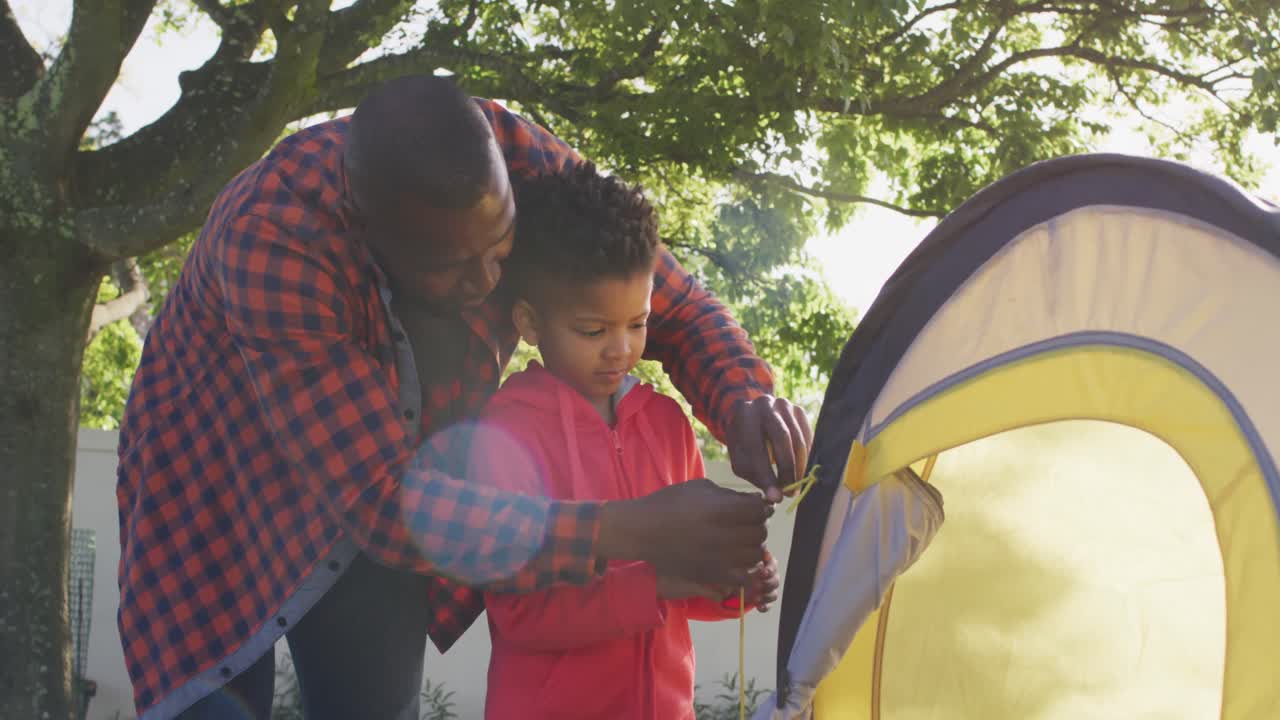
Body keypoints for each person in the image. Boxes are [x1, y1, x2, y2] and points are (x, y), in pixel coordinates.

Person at [116, 74, 809, 720]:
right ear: (368, 227)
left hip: (391, 493)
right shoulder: (274, 235)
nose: (486, 283)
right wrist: (632, 531)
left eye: (503, 246)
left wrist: (746, 398)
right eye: (448, 266)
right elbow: (385, 500)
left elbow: (666, 298)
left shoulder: (518, 160)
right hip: (214, 495)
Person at [471, 164, 781, 719]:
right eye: (593, 331)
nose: (620, 349)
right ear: (530, 323)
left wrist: (734, 585)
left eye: (637, 324)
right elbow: (519, 611)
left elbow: (684, 584)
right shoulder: (506, 431)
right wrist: (654, 581)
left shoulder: (665, 422)